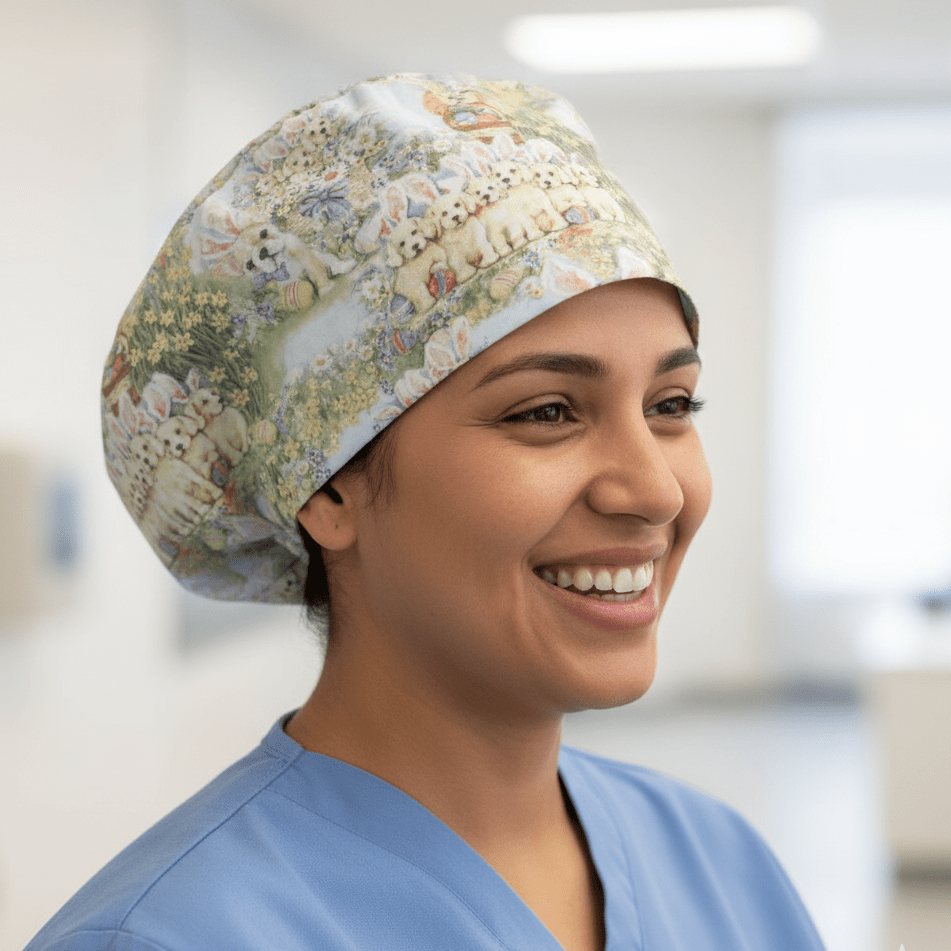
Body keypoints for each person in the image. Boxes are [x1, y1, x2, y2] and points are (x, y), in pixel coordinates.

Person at [29, 74, 826, 950]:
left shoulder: (717, 862)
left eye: (670, 406)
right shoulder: (170, 937)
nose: (655, 491)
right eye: (547, 412)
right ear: (325, 484)